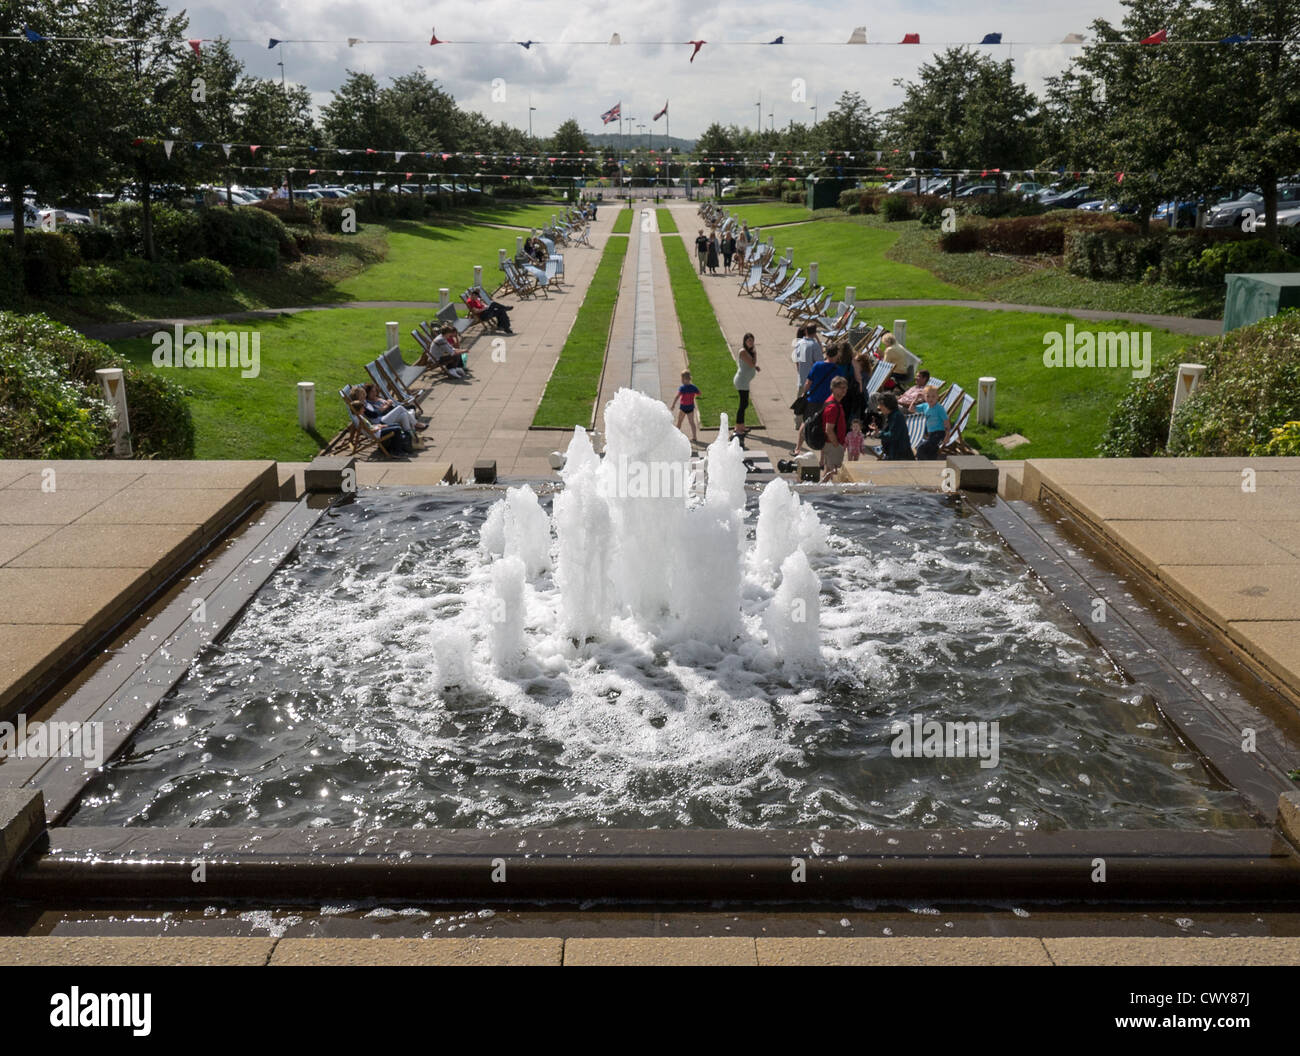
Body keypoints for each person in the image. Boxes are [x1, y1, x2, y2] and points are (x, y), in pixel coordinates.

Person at [793, 345, 841, 455]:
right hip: (828, 403)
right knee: (825, 429)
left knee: (805, 423)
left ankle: (797, 449)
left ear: (826, 354)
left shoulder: (817, 365)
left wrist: (804, 394)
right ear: (836, 355)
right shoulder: (837, 370)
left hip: (813, 400)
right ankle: (822, 460)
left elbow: (808, 383)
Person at [362, 381, 426, 436]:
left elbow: (387, 407)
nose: (374, 393)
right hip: (380, 421)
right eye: (372, 392)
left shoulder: (377, 398)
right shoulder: (367, 403)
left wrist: (387, 402)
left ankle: (409, 434)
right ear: (367, 393)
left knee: (404, 415)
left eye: (375, 391)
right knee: (400, 408)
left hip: (386, 417)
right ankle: (416, 423)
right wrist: (386, 405)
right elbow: (375, 413)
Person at [820, 376, 849, 482]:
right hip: (832, 445)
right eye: (840, 388)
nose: (843, 390)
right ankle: (828, 494)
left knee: (828, 472)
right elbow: (829, 429)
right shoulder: (833, 407)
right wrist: (837, 445)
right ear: (833, 388)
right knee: (834, 473)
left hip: (830, 444)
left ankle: (822, 491)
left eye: (845, 388)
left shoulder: (832, 402)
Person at [876, 393, 915, 461]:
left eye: (880, 405)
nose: (878, 407)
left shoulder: (896, 416)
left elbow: (892, 436)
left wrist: (880, 434)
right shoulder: (892, 414)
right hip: (896, 453)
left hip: (900, 456)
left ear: (886, 405)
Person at [733, 332, 759, 433]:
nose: (751, 343)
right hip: (741, 381)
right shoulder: (743, 351)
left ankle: (741, 425)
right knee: (743, 404)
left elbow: (750, 364)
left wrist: (755, 366)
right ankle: (737, 427)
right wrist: (755, 354)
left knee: (744, 404)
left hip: (745, 381)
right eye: (749, 341)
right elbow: (751, 364)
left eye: (752, 341)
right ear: (745, 341)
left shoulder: (748, 351)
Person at [915, 385, 948, 460]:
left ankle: (921, 462)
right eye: (928, 396)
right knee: (931, 450)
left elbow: (946, 421)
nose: (930, 399)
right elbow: (911, 409)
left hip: (939, 433)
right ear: (925, 397)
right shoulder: (925, 406)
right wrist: (916, 398)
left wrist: (947, 435)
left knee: (921, 448)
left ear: (937, 397)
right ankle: (930, 461)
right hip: (931, 433)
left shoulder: (939, 408)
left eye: (933, 396)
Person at [670, 370, 701, 442]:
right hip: (690, 407)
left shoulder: (682, 388)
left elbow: (677, 397)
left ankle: (676, 435)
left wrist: (673, 405)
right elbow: (699, 393)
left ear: (684, 379)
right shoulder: (693, 387)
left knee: (679, 421)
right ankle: (694, 437)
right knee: (692, 422)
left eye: (681, 379)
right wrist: (693, 394)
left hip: (683, 407)